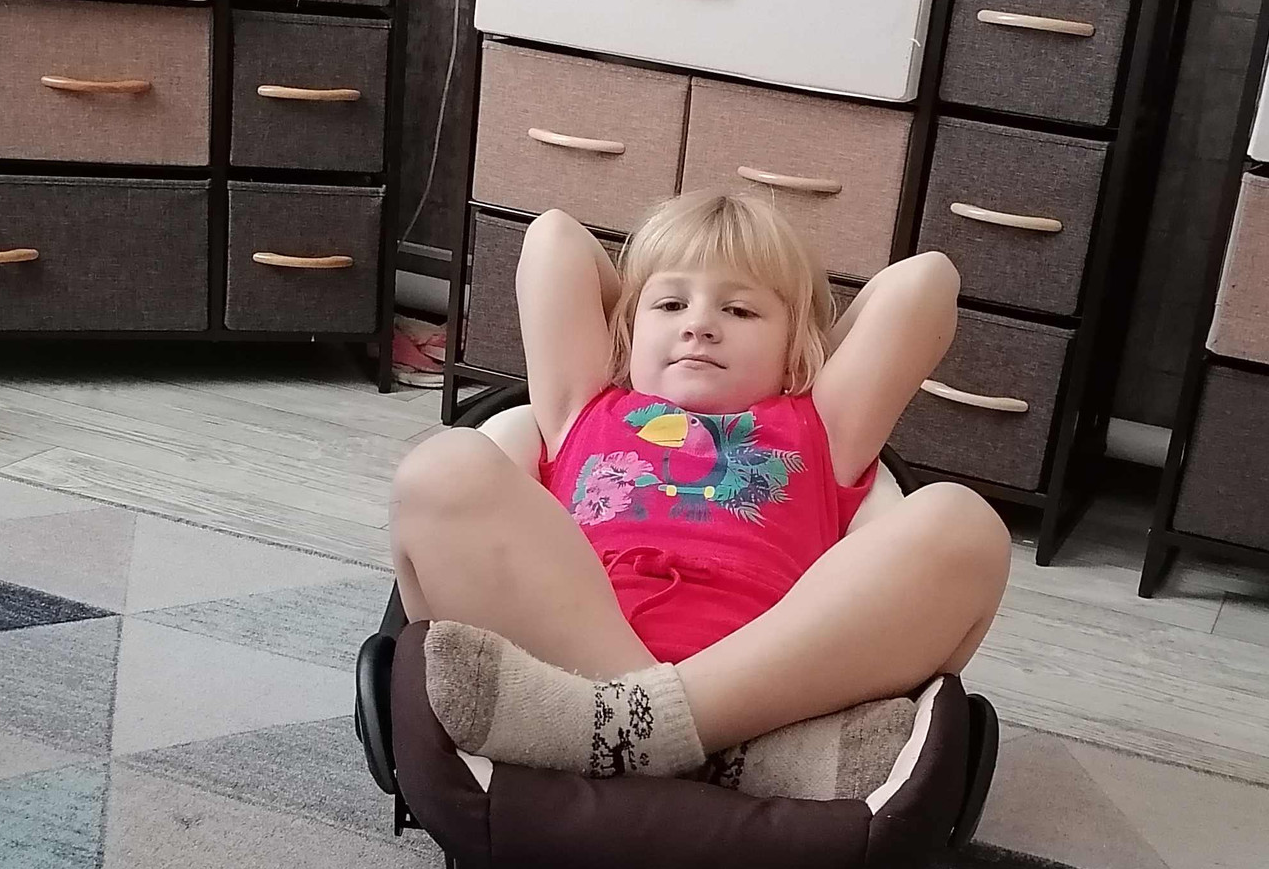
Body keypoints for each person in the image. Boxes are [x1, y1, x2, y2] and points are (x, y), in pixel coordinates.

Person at [393, 190, 1011, 793]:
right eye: (670, 305)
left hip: (767, 674)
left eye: (739, 311)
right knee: (441, 468)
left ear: (795, 350)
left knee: (963, 523)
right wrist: (630, 326)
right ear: (626, 330)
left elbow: (926, 282)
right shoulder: (583, 407)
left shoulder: (821, 427)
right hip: (575, 646)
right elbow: (553, 238)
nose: (699, 326)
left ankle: (614, 729)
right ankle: (723, 755)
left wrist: (812, 355)